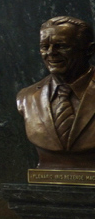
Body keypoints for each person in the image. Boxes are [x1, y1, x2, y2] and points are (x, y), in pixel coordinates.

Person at [17, 16, 95, 169]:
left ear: (89, 50)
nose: (51, 53)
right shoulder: (26, 97)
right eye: (44, 46)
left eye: (61, 46)